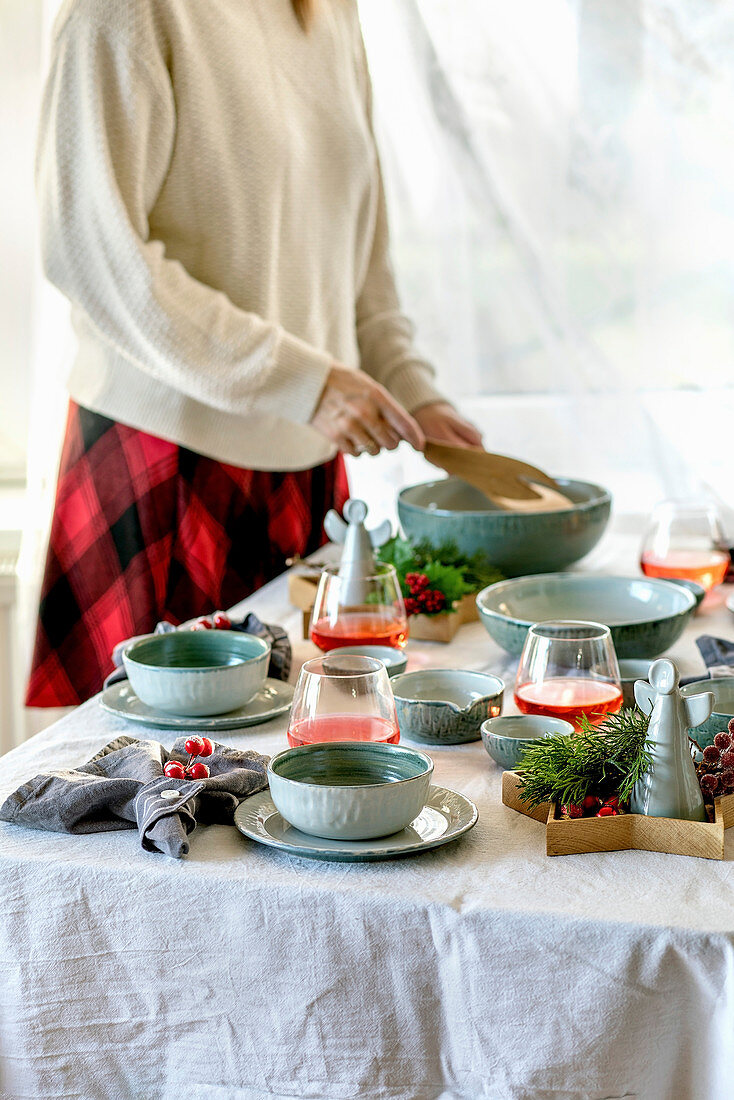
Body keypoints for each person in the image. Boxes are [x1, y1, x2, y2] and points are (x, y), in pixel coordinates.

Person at [26, 0, 481, 707]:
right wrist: (305, 383)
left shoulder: (328, 12)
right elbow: (93, 253)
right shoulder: (126, 10)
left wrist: (409, 385)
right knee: (153, 790)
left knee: (310, 766)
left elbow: (357, 257)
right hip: (169, 464)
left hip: (305, 463)